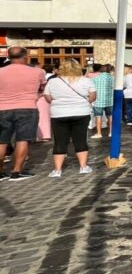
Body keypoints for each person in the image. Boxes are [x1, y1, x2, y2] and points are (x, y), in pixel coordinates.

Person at [0, 46, 47, 181]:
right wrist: (35, 96)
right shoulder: (37, 72)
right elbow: (42, 88)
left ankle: (1, 171)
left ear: (8, 57)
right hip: (27, 107)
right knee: (23, 139)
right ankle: (16, 171)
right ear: (25, 56)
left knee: (1, 141)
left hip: (2, 108)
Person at [43, 58, 96, 176]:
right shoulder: (86, 81)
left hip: (59, 114)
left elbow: (47, 98)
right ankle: (83, 166)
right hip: (81, 112)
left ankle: (57, 170)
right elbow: (92, 97)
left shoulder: (53, 81)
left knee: (60, 141)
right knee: (80, 140)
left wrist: (59, 101)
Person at [90, 64, 113, 139]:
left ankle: (99, 133)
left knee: (98, 117)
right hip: (110, 100)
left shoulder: (95, 79)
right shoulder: (113, 78)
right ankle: (110, 132)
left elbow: (91, 89)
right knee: (110, 117)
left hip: (98, 100)